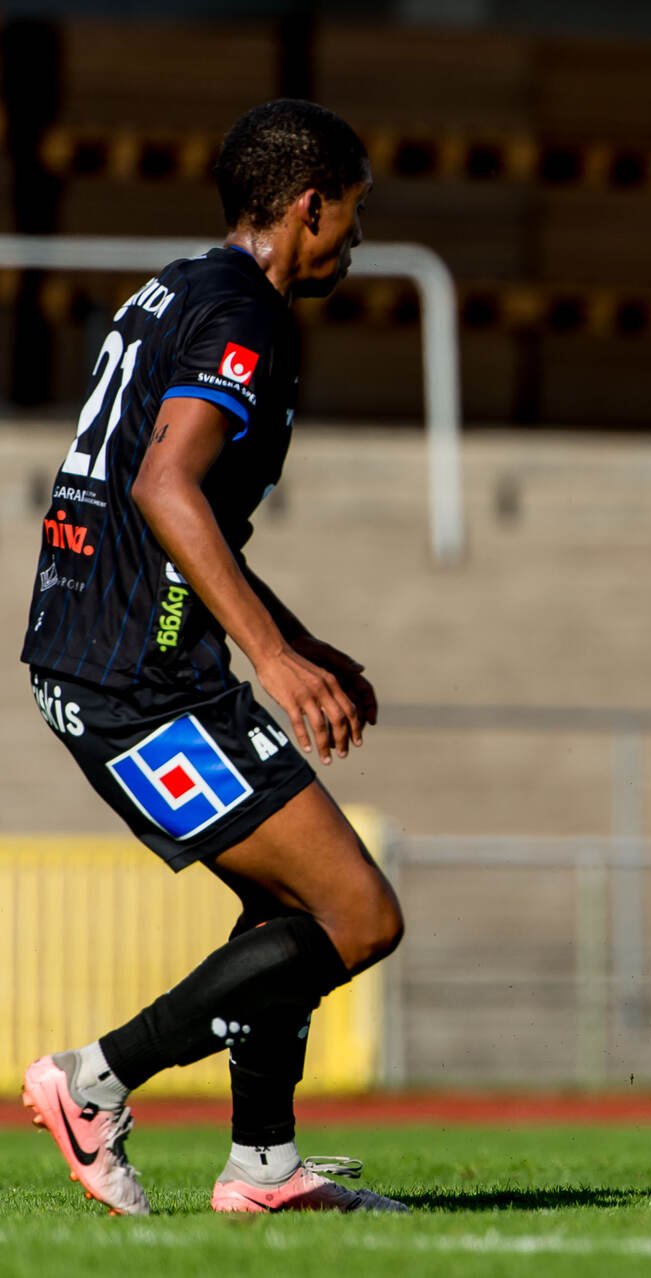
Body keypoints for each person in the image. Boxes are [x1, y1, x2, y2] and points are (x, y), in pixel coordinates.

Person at [19, 100, 406, 1215]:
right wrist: (276, 660)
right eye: (353, 215)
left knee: (287, 919)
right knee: (358, 916)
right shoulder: (245, 310)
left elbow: (181, 516)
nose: (354, 240)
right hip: (138, 678)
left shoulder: (175, 289)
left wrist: (303, 639)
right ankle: (94, 1080)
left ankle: (265, 1165)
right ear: (307, 205)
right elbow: (163, 486)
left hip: (104, 657)